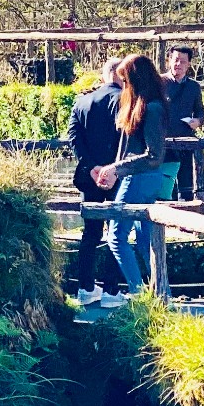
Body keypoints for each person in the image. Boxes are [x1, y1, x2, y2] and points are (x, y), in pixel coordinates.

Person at [95, 53, 169, 305]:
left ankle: (140, 293)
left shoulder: (152, 108)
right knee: (146, 240)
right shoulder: (142, 105)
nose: (123, 87)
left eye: (126, 81)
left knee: (116, 236)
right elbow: (127, 147)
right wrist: (113, 170)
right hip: (139, 177)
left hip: (140, 177)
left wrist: (116, 168)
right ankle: (160, 294)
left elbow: (154, 155)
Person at [67, 59, 127, 304]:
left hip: (90, 176)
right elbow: (127, 139)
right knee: (117, 231)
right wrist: (113, 168)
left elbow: (74, 136)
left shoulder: (82, 102)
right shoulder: (125, 101)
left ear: (104, 75)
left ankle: (85, 287)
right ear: (121, 75)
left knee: (91, 232)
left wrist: (91, 166)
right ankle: (111, 290)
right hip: (118, 175)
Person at [159, 46, 204, 200]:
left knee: (186, 188)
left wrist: (197, 121)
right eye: (175, 60)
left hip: (186, 142)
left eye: (182, 61)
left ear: (189, 64)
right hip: (163, 142)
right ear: (169, 60)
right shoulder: (159, 83)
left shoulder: (193, 87)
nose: (178, 64)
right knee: (165, 188)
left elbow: (200, 112)